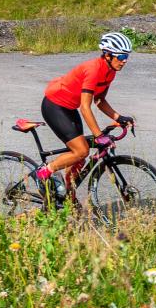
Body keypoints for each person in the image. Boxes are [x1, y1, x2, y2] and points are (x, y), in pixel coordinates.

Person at [34, 31, 137, 206]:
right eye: (121, 56)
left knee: (80, 156)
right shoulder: (94, 69)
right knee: (81, 150)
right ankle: (43, 172)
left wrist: (119, 117)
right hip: (55, 105)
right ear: (107, 55)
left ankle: (67, 195)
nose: (124, 60)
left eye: (126, 56)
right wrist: (98, 135)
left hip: (68, 107)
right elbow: (85, 107)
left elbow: (99, 100)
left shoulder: (110, 71)